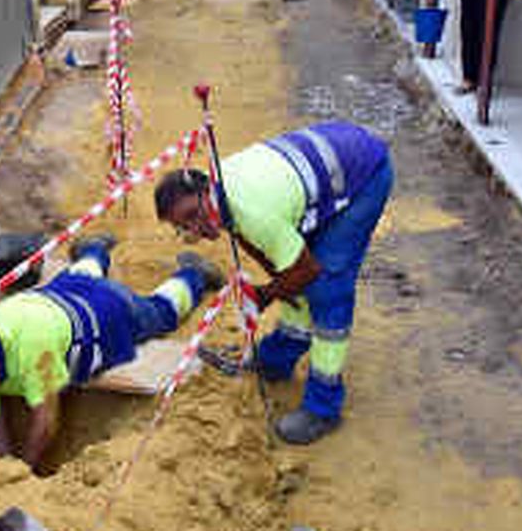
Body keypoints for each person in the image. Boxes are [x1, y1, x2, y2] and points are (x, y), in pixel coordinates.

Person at [153, 121, 393, 445]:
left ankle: (323, 407)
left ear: (204, 191)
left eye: (193, 215)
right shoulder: (218, 191)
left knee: (327, 288)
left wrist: (268, 293)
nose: (194, 229)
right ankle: (276, 359)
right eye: (183, 226)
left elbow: (306, 270)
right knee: (292, 276)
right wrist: (281, 281)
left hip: (364, 174)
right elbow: (255, 243)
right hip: (329, 160)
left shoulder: (251, 210)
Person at [0, 236, 223, 469]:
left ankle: (194, 273)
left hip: (107, 312)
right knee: (80, 276)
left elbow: (45, 422)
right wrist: (1, 466)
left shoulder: (33, 354)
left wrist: (24, 471)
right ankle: (93, 249)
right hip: (59, 294)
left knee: (160, 314)